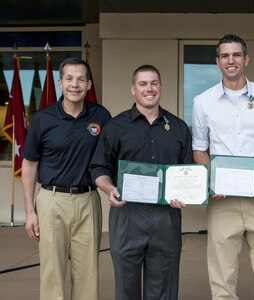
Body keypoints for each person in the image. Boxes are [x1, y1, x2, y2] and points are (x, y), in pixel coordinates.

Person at [191, 34, 254, 300]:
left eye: (236, 55)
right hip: (224, 202)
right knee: (221, 278)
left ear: (246, 59)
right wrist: (212, 181)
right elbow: (199, 148)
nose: (230, 60)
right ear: (217, 62)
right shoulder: (203, 101)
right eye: (224, 56)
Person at [89, 64, 193, 300]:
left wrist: (186, 193)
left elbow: (188, 171)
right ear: (133, 89)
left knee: (163, 290)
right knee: (127, 289)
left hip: (166, 216)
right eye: (143, 84)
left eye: (154, 83)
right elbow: (99, 168)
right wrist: (109, 188)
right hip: (127, 214)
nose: (149, 89)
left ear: (161, 88)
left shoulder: (178, 128)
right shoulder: (115, 127)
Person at [22, 57, 111, 300]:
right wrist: (30, 211)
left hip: (88, 201)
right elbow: (29, 165)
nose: (75, 84)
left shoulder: (102, 117)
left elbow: (113, 157)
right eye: (69, 79)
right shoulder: (43, 118)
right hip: (52, 201)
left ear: (89, 84)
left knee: (88, 275)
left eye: (81, 79)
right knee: (52, 273)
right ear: (60, 83)